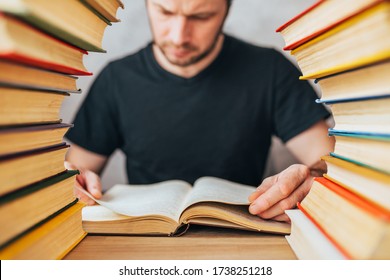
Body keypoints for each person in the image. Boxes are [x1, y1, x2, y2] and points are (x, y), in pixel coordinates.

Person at [65, 0, 334, 222]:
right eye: (165, 12)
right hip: (145, 238)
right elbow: (74, 175)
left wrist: (307, 179)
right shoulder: (116, 79)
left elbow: (330, 167)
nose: (179, 36)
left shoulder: (270, 70)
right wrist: (75, 180)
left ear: (226, 10)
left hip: (244, 235)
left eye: (201, 16)